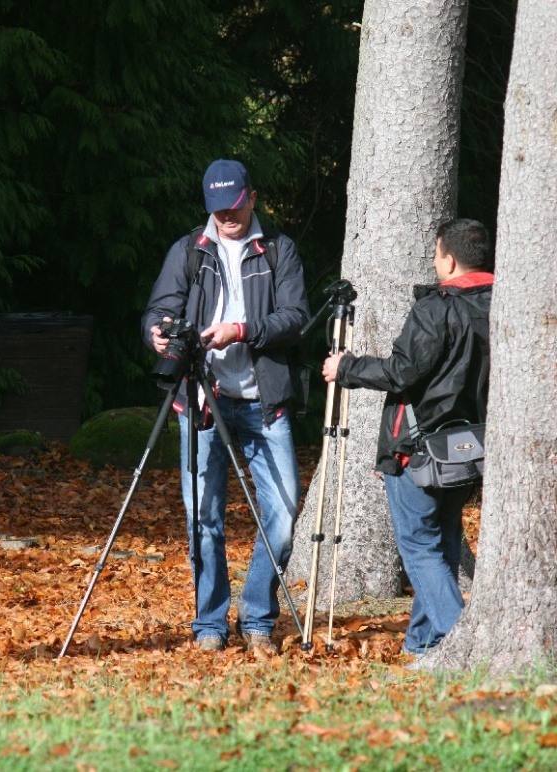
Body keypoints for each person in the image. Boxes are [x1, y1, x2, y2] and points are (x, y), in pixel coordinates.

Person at [141, 159, 310, 652]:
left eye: (234, 206)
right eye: (217, 209)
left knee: (281, 514)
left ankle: (258, 615)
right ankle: (210, 623)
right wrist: (155, 333)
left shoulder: (279, 250)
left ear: (251, 197)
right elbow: (159, 308)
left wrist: (241, 330)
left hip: (264, 401)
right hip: (201, 401)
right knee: (203, 519)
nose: (226, 217)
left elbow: (296, 318)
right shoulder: (188, 250)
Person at [322, 219, 494, 656]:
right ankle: (421, 644)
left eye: (437, 253)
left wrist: (345, 368)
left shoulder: (436, 308)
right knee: (444, 543)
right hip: (472, 447)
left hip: (418, 449)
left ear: (449, 259)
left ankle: (460, 645)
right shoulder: (500, 304)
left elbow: (402, 371)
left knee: (420, 548)